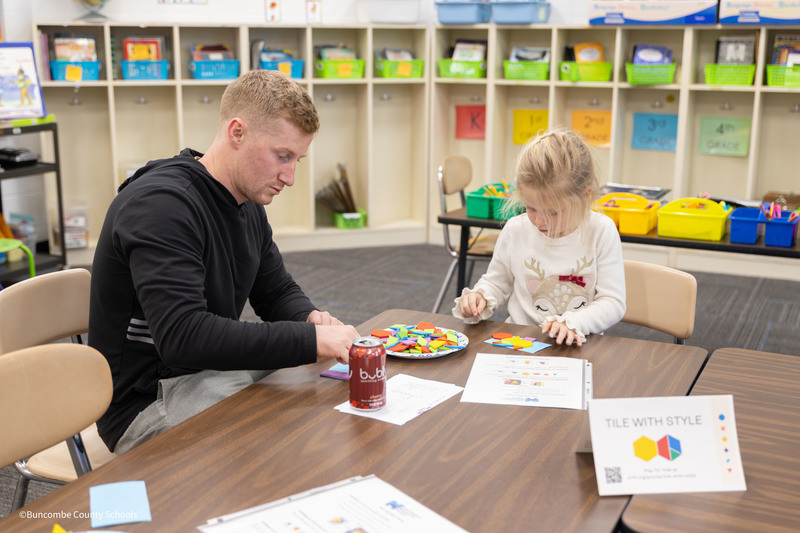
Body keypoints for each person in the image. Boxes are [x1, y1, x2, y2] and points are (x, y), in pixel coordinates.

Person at [89, 70, 360, 454]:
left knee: (314, 394)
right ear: (237, 132)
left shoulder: (245, 201)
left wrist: (309, 318)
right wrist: (310, 339)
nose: (290, 176)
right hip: (148, 401)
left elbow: (276, 290)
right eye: (282, 156)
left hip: (205, 371)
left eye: (297, 158)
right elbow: (183, 335)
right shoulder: (161, 206)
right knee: (289, 440)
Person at [453, 128, 626, 347]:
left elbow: (613, 302)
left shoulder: (601, 231)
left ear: (585, 196)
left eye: (553, 213)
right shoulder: (516, 230)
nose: (539, 221)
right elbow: (497, 282)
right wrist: (481, 295)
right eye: (531, 208)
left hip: (579, 345)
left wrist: (575, 322)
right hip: (520, 343)